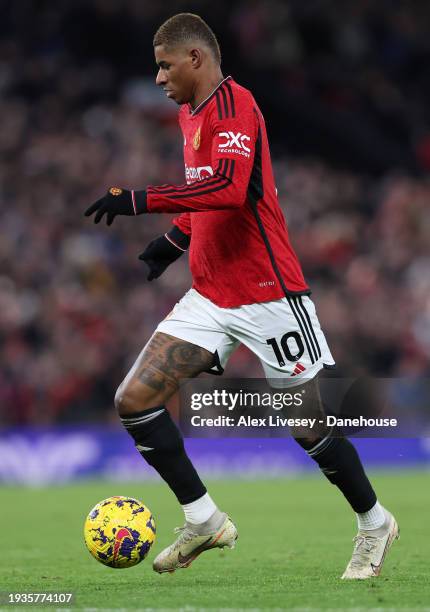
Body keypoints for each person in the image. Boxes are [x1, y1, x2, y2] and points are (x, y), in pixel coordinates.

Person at [85, 13, 398, 578]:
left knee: (308, 426)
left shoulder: (237, 106)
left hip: (266, 293)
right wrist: (174, 241)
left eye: (164, 65)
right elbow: (207, 196)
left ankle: (375, 522)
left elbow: (229, 188)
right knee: (134, 399)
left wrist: (138, 199)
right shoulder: (190, 115)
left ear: (195, 59)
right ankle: (204, 520)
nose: (158, 78)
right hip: (210, 294)